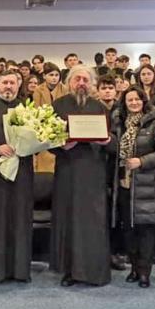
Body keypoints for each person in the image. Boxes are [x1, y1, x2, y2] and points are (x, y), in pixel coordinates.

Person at [50, 66, 113, 287]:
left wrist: (106, 141)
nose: (81, 83)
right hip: (67, 170)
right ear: (69, 82)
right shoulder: (58, 106)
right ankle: (70, 271)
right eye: (77, 79)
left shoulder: (100, 107)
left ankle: (95, 271)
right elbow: (46, 140)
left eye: (86, 79)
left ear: (92, 83)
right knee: (69, 220)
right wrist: (62, 146)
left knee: (93, 221)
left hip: (94, 172)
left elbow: (113, 142)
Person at [112, 86, 155, 288]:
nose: (134, 103)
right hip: (124, 184)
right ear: (124, 103)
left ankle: (145, 272)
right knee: (128, 230)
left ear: (144, 101)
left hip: (147, 184)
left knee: (146, 231)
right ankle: (134, 268)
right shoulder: (119, 123)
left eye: (137, 99)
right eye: (130, 100)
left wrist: (142, 161)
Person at [0, 71, 34, 285]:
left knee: (20, 220)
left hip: (23, 173)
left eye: (12, 82)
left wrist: (29, 146)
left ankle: (21, 271)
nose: (8, 86)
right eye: (4, 83)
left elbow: (39, 138)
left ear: (18, 85)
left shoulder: (28, 110)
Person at [33, 62, 68, 174]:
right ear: (44, 76)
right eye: (51, 75)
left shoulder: (65, 89)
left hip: (61, 126)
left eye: (56, 75)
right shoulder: (38, 90)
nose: (54, 78)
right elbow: (37, 110)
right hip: (44, 127)